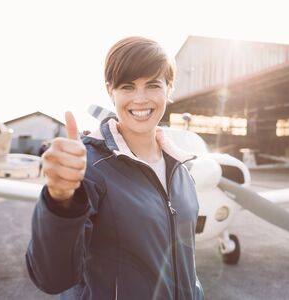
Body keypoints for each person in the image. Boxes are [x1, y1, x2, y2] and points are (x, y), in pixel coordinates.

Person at [26, 36, 204, 300]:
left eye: (153, 85)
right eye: (127, 86)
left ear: (169, 88)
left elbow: (184, 263)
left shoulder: (181, 168)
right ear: (111, 91)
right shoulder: (88, 165)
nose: (140, 99)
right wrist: (60, 201)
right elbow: (51, 278)